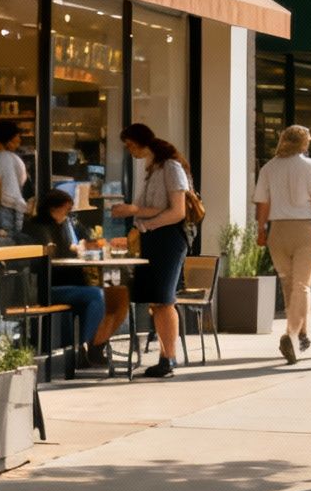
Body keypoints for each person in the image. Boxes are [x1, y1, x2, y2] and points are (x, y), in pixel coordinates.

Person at [111, 123, 192, 378]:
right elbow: (158, 207)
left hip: (168, 238)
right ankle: (165, 358)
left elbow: (178, 211)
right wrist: (135, 213)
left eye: (130, 145)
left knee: (164, 298)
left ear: (139, 142)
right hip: (153, 237)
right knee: (157, 300)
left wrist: (145, 224)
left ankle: (169, 358)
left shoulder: (170, 166)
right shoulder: (151, 168)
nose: (130, 151)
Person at [254, 125, 311, 364]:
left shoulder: (269, 168)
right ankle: (292, 333)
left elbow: (263, 204)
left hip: (278, 230)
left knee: (289, 285)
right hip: (306, 230)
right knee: (302, 286)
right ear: (303, 143)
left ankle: (300, 334)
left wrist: (261, 230)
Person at [24, 189, 121, 371]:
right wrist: (75, 249)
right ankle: (84, 350)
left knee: (110, 295)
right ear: (54, 208)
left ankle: (93, 348)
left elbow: (74, 246)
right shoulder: (40, 228)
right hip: (46, 287)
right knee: (96, 296)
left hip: (66, 283)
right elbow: (51, 256)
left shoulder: (62, 225)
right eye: (66, 210)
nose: (68, 214)